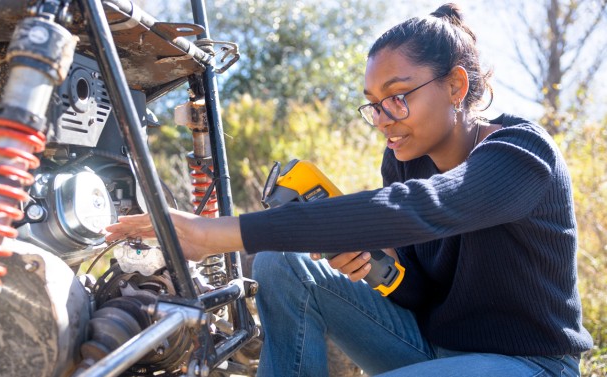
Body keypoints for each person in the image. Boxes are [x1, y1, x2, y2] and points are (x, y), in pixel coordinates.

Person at [104, 3, 593, 376]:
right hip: (431, 349)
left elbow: (428, 208)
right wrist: (383, 271)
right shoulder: (404, 160)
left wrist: (217, 233)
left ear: (456, 86)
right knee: (280, 262)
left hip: (529, 365)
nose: (383, 120)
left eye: (398, 98)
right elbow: (422, 292)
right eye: (374, 104)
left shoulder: (523, 154)